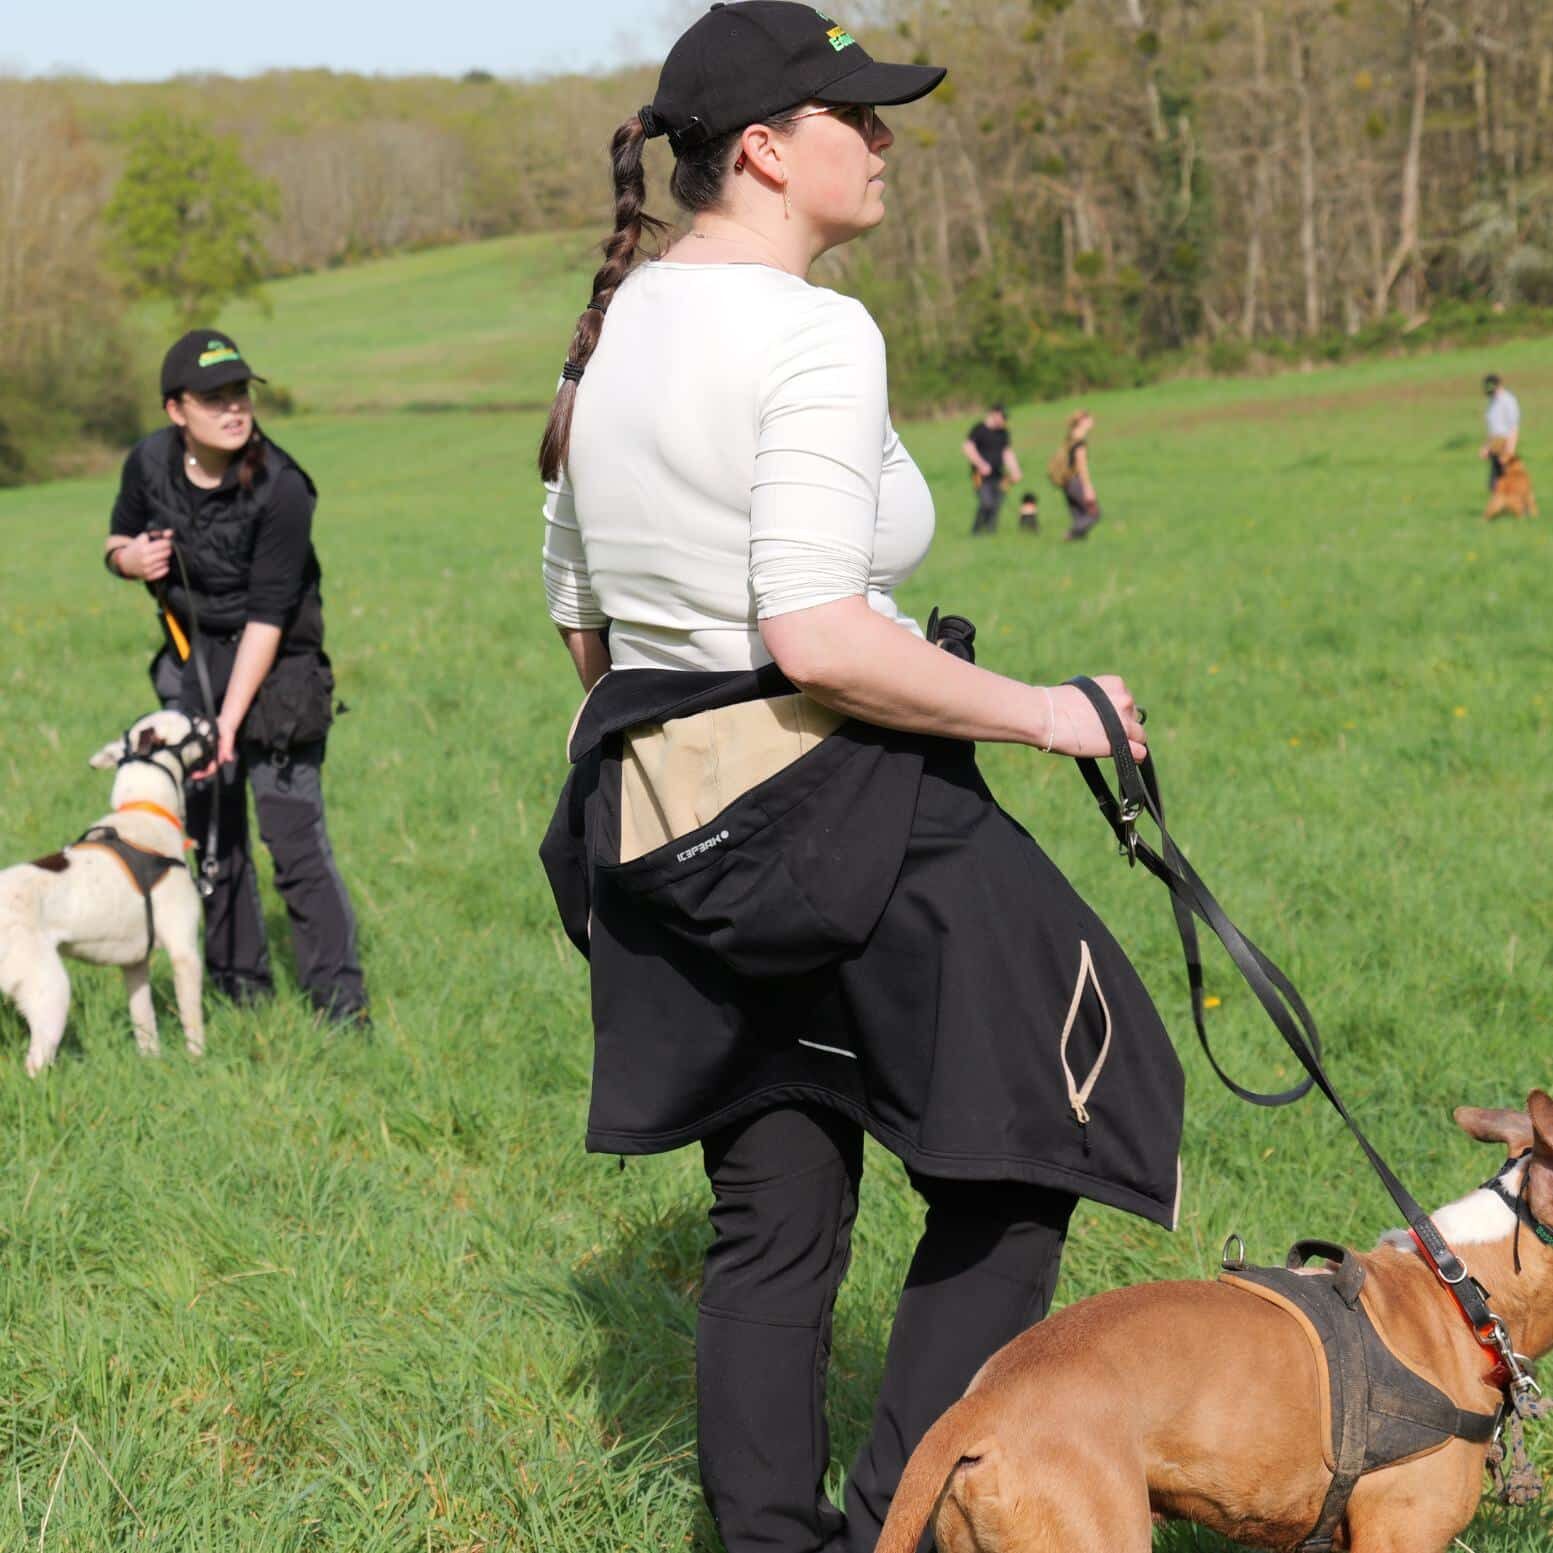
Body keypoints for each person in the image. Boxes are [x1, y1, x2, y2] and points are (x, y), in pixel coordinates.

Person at [536, 5, 1182, 1550]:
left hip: (658, 817)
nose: (885, 141)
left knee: (774, 1206)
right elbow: (819, 631)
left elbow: (581, 613)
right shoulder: (813, 330)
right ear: (765, 149)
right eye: (858, 117)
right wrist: (1051, 711)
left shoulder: (615, 325)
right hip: (844, 800)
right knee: (1046, 1129)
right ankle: (905, 1519)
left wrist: (703, 755)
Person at [103, 329, 367, 1025]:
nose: (233, 408)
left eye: (240, 393)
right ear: (175, 409)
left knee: (291, 835)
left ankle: (339, 1007)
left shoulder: (282, 486)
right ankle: (238, 990)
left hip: (278, 665)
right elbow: (116, 537)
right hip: (192, 662)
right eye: (213, 397)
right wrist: (131, 560)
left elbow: (268, 615)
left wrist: (225, 725)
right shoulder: (147, 464)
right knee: (212, 838)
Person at [962, 403, 1021, 534]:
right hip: (980, 475)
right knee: (986, 503)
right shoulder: (979, 429)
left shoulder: (1003, 432)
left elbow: (1007, 452)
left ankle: (990, 531)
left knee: (997, 504)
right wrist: (981, 464)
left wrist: (1015, 470)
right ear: (994, 414)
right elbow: (968, 447)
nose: (1004, 420)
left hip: (999, 475)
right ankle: (976, 531)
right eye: (1003, 416)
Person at [1055, 407, 1101, 540]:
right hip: (1075, 481)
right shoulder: (1079, 442)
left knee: (1078, 514)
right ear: (1082, 421)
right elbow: (1081, 466)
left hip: (1066, 481)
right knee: (1094, 514)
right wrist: (1088, 488)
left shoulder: (1070, 437)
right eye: (1089, 418)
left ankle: (1077, 543)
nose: (1092, 421)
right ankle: (1070, 535)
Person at [1481, 372, 1521, 490]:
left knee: (1506, 481)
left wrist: (1510, 449)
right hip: (1495, 443)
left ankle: (1516, 505)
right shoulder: (1492, 402)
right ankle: (1504, 506)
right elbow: (1493, 428)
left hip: (1505, 443)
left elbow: (1513, 427)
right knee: (1495, 483)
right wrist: (1487, 447)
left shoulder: (1508, 401)